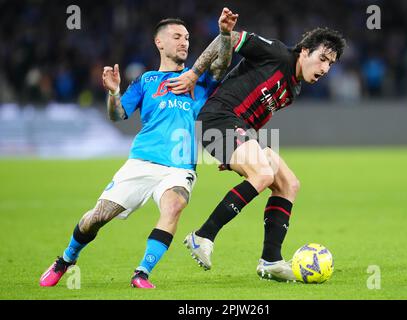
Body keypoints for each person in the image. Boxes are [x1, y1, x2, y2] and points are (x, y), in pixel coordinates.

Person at [39, 8, 238, 289]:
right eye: (177, 37)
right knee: (95, 219)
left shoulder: (198, 80)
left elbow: (221, 64)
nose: (184, 42)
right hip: (142, 162)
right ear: (160, 43)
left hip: (180, 166)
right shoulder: (146, 81)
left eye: (187, 38)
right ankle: (66, 259)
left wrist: (225, 34)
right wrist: (112, 93)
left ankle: (141, 273)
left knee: (175, 205)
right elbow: (117, 114)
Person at [172, 26, 346, 282]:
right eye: (322, 58)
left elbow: (256, 114)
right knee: (263, 173)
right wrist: (194, 74)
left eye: (330, 64)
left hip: (239, 130)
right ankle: (203, 235)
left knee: (288, 184)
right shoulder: (276, 53)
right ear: (305, 51)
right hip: (217, 119)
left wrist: (239, 151)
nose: (325, 68)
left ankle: (271, 260)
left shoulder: (293, 90)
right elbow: (229, 38)